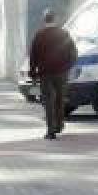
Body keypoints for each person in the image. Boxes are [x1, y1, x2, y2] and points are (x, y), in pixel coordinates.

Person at [28, 8, 78, 140]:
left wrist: (32, 72)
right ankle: (59, 125)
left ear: (44, 20)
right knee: (60, 99)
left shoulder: (39, 35)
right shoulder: (63, 33)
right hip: (61, 73)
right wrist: (67, 66)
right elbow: (73, 53)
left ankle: (50, 131)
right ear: (55, 19)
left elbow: (33, 55)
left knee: (48, 101)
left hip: (45, 74)